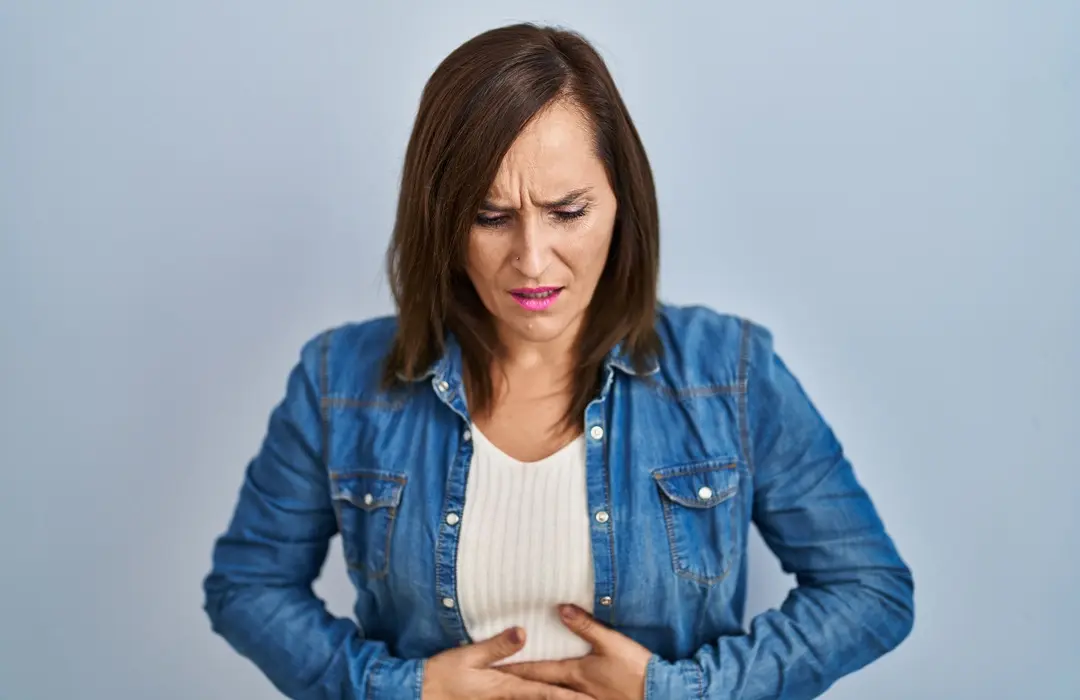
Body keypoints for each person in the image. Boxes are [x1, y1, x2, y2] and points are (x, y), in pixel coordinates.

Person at [203, 22, 914, 700]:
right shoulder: (338, 380)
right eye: (490, 217)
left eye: (567, 212)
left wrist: (674, 691)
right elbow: (247, 585)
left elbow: (870, 590)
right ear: (440, 220)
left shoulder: (731, 371)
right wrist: (405, 690)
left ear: (621, 202)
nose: (533, 260)